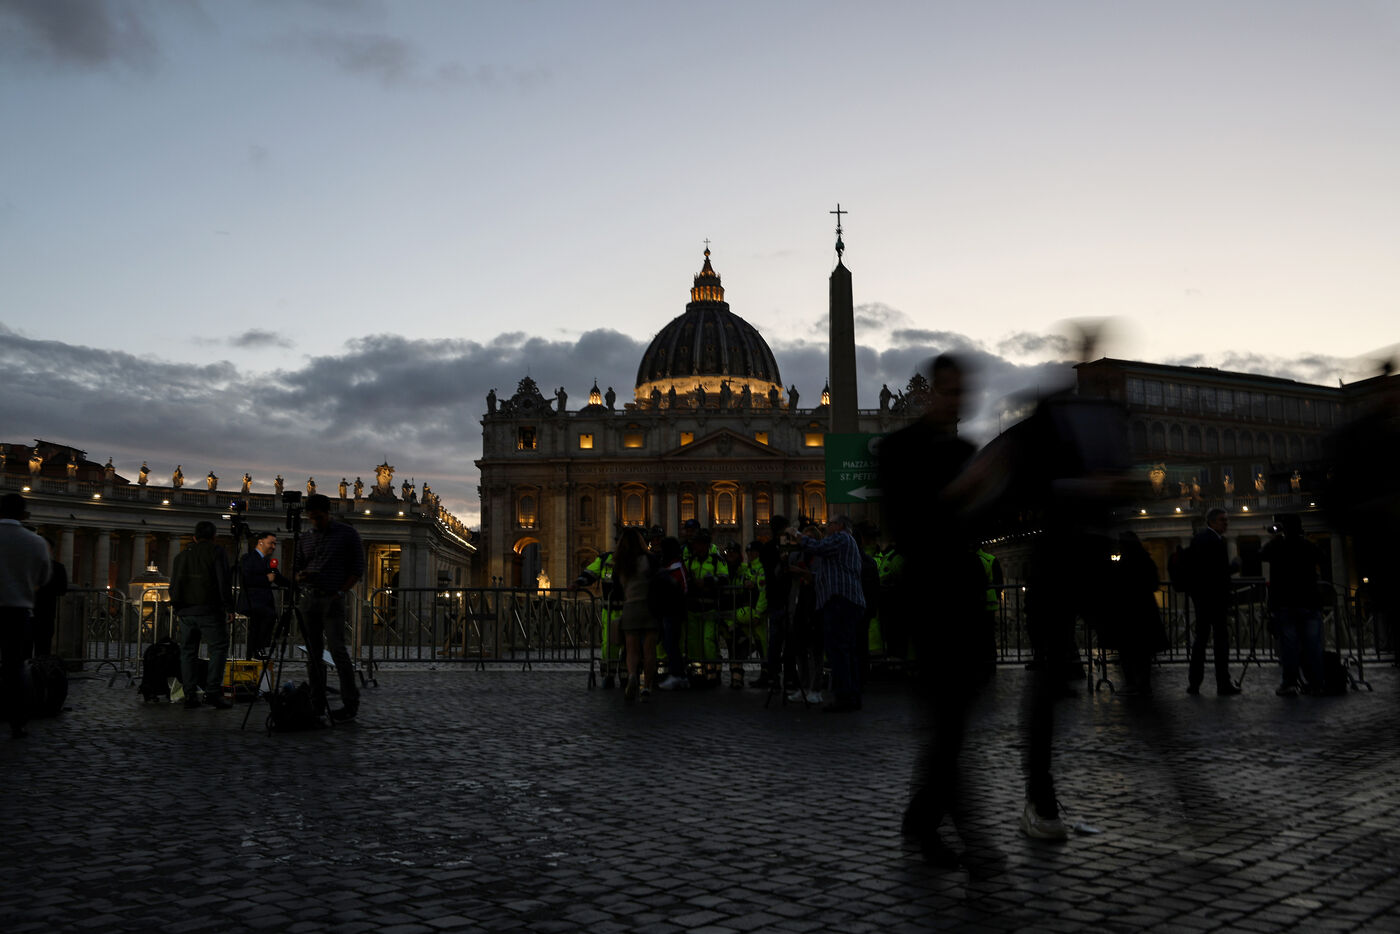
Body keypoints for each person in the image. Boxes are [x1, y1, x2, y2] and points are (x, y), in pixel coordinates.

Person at [876, 354, 989, 857]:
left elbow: (983, 521)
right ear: (928, 394)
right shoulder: (897, 448)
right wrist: (957, 495)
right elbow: (903, 525)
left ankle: (922, 818)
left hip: (966, 602)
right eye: (947, 391)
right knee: (948, 726)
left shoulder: (966, 450)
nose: (955, 400)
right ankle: (970, 838)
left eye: (962, 392)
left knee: (952, 727)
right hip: (928, 603)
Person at [295, 494, 365, 722]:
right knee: (313, 654)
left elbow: (357, 568)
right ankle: (316, 703)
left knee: (337, 651)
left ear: (328, 513)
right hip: (310, 598)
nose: (315, 521)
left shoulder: (347, 534)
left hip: (332, 599)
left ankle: (350, 703)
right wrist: (301, 576)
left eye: (319, 517)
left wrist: (341, 592)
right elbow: (297, 567)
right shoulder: (305, 538)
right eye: (312, 518)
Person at [788, 515, 866, 712]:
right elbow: (830, 573)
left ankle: (844, 697)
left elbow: (817, 547)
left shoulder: (842, 538)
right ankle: (851, 695)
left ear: (840, 525)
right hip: (846, 601)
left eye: (829, 524)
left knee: (838, 651)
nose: (827, 527)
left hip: (840, 600)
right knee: (846, 651)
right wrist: (809, 575)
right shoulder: (844, 544)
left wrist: (796, 534)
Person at [168, 520, 235, 710]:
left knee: (188, 652)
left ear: (194, 537)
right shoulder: (216, 552)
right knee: (218, 648)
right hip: (209, 610)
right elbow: (223, 581)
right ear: (214, 537)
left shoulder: (181, 556)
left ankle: (190, 694)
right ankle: (212, 692)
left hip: (186, 611)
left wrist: (177, 606)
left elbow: (174, 585)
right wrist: (229, 607)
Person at [0, 493, 51, 738]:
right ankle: (17, 721)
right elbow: (44, 577)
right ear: (23, 514)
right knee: (15, 666)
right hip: (18, 611)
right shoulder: (36, 542)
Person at [1260, 514, 1325, 696]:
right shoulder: (1307, 545)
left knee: (1289, 647)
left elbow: (1261, 555)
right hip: (1309, 601)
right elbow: (1322, 556)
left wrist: (1275, 539)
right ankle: (1316, 683)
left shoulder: (1277, 545)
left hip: (1285, 602)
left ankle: (1289, 683)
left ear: (1283, 529)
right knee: (1313, 646)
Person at [1185, 508, 1241, 696]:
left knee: (1200, 642)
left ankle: (1194, 683)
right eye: (1222, 520)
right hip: (1215, 599)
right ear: (1211, 522)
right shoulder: (1215, 541)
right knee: (1220, 642)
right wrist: (1234, 567)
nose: (1226, 523)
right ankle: (1223, 683)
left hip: (1201, 599)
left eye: (1226, 520)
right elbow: (1218, 572)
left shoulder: (1199, 539)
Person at [613, 528, 659, 704]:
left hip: (630, 607)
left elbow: (617, 589)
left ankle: (632, 675)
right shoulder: (650, 560)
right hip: (649, 607)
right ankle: (646, 686)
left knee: (631, 649)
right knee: (649, 651)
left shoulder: (620, 563)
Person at [572, 549, 624, 688]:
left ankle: (627, 675)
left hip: (630, 608)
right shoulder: (605, 559)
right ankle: (609, 674)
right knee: (609, 643)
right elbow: (590, 573)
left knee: (630, 643)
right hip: (610, 609)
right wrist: (579, 582)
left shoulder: (636, 557)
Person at [238, 531, 287, 659]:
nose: (273, 547)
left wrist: (296, 584)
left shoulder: (267, 561)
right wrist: (266, 579)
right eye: (271, 543)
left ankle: (256, 651)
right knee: (263, 620)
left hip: (263, 602)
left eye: (275, 544)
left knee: (262, 623)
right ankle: (256, 650)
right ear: (260, 542)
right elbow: (246, 579)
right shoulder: (248, 558)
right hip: (252, 601)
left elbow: (278, 578)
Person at [654, 537, 691, 690]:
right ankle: (679, 675)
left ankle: (677, 675)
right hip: (666, 611)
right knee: (668, 644)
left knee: (671, 644)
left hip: (673, 611)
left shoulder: (677, 567)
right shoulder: (667, 566)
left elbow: (684, 588)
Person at [32, 535, 68, 658]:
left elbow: (62, 589)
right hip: (27, 612)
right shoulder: (27, 565)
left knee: (43, 648)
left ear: (51, 550)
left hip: (45, 612)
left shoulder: (58, 567)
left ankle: (40, 668)